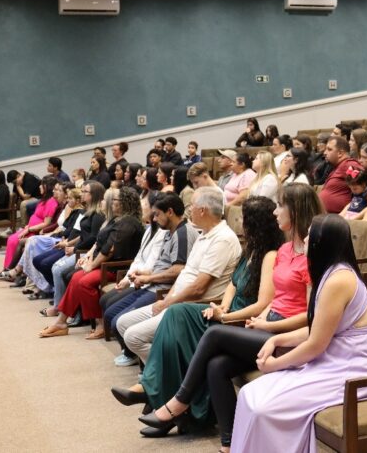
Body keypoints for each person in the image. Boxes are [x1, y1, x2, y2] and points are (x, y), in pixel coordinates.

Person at [124, 185, 322, 446]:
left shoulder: (307, 256)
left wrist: (244, 319)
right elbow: (270, 299)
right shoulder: (284, 252)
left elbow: (310, 315)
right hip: (264, 326)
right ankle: (228, 442)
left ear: (295, 212)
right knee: (214, 363)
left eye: (280, 206)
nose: (276, 212)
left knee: (211, 332)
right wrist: (248, 316)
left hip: (285, 335)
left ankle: (178, 402)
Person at [110, 196, 283, 429]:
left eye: (244, 218)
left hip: (241, 322)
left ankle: (154, 394)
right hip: (225, 311)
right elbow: (233, 284)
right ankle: (161, 399)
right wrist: (223, 306)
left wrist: (226, 315)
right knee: (175, 316)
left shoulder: (270, 255)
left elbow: (262, 304)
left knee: (178, 329)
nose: (240, 222)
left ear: (255, 224)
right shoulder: (250, 249)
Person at [229, 214, 367, 453]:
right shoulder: (330, 273)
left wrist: (276, 364)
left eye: (312, 233)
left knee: (264, 408)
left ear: (324, 241)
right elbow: (316, 329)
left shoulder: (339, 279)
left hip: (353, 370)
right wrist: (277, 339)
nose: (307, 237)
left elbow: (315, 345)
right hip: (334, 361)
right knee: (250, 393)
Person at [115, 186, 242, 360]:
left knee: (133, 336)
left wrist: (168, 303)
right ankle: (160, 373)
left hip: (191, 307)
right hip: (175, 300)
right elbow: (185, 274)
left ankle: (163, 375)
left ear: (203, 210)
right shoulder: (204, 233)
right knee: (123, 323)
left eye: (192, 206)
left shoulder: (222, 239)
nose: (189, 210)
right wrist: (167, 299)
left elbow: (198, 288)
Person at [39, 186, 145, 338]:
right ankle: (61, 322)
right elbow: (100, 243)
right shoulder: (117, 219)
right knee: (76, 278)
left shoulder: (128, 222)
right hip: (105, 263)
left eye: (115, 200)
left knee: (84, 282)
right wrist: (90, 257)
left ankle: (101, 325)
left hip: (117, 267)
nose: (111, 203)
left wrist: (92, 265)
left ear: (125, 203)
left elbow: (110, 250)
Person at [106, 193, 198, 366]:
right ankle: (142, 360)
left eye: (157, 214)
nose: (154, 219)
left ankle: (154, 366)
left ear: (169, 212)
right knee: (113, 315)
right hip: (153, 284)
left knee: (118, 320)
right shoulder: (171, 232)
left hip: (162, 289)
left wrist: (149, 278)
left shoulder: (182, 234)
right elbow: (161, 265)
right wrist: (144, 275)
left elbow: (178, 270)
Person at [40, 181, 106, 317]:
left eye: (85, 192)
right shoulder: (87, 211)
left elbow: (93, 238)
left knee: (59, 269)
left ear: (94, 195)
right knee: (55, 267)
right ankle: (60, 304)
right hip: (80, 249)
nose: (81, 194)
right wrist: (71, 245)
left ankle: (60, 307)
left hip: (87, 252)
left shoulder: (98, 214)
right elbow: (83, 235)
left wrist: (75, 248)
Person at [22, 186, 85, 299]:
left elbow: (79, 235)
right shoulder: (74, 211)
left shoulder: (81, 213)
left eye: (70, 198)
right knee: (36, 258)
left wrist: (66, 243)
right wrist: (59, 238)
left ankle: (57, 292)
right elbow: (65, 229)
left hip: (71, 245)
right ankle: (51, 288)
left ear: (78, 200)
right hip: (64, 241)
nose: (67, 200)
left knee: (46, 262)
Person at [0, 176, 60, 272]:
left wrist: (29, 229)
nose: (39, 187)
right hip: (30, 228)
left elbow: (46, 223)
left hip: (35, 231)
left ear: (47, 187)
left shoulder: (51, 202)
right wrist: (27, 226)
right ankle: (7, 268)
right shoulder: (44, 200)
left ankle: (10, 270)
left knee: (14, 240)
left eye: (41, 185)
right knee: (11, 239)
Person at [318, 136, 363, 214]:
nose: (325, 153)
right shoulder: (338, 166)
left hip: (338, 217)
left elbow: (363, 183)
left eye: (329, 149)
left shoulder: (348, 164)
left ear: (340, 153)